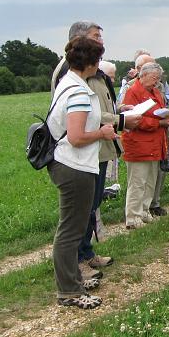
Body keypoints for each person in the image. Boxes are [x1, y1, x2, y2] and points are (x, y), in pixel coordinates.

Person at [51, 21, 139, 281]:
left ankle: (83, 258)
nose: (101, 44)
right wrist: (107, 129)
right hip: (75, 159)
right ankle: (72, 277)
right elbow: (78, 130)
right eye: (96, 39)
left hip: (84, 157)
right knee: (74, 222)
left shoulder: (80, 78)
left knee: (88, 210)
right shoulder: (75, 83)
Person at [48, 36, 118, 309]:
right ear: (90, 62)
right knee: (71, 231)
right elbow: (76, 137)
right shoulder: (78, 92)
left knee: (73, 228)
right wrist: (101, 132)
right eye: (98, 59)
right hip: (74, 166)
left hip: (69, 163)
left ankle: (73, 279)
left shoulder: (69, 84)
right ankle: (68, 291)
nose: (99, 65)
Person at [118, 51, 169, 216]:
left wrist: (166, 118)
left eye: (158, 78)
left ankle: (144, 212)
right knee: (137, 182)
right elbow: (132, 120)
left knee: (150, 181)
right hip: (138, 144)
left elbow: (158, 110)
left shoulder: (156, 91)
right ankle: (133, 217)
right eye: (154, 77)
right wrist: (158, 122)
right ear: (143, 75)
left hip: (155, 143)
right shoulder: (132, 92)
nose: (157, 81)